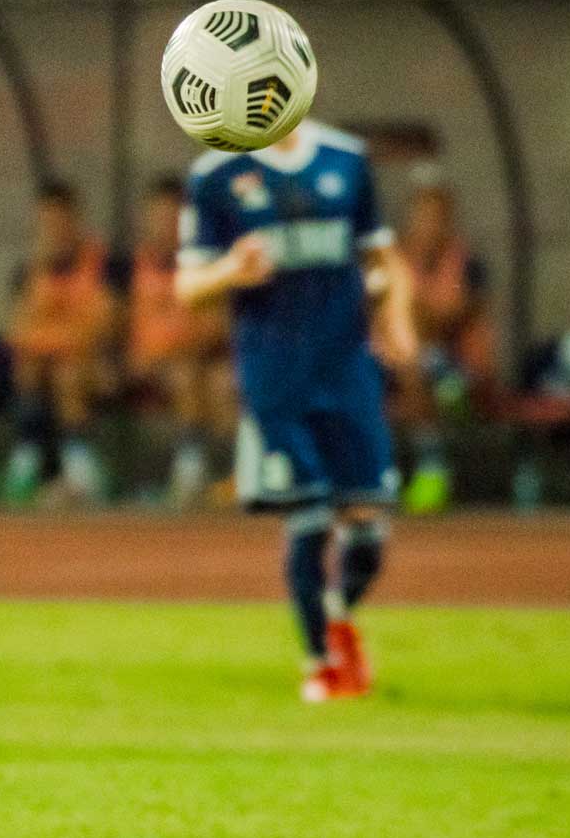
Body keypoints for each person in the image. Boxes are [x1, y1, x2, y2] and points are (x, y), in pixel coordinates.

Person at [176, 116, 416, 703]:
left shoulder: (346, 159)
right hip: (275, 376)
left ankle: (338, 616)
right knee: (308, 517)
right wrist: (232, 269)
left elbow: (384, 257)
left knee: (369, 529)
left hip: (347, 370)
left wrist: (397, 318)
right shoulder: (217, 175)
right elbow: (186, 286)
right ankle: (321, 662)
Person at [2, 181, 115, 507]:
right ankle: (27, 460)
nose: (54, 232)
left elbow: (103, 327)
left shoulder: (103, 264)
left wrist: (54, 340)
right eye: (46, 224)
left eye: (60, 222)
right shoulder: (29, 270)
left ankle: (81, 471)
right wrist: (39, 270)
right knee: (28, 367)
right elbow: (17, 332)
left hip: (94, 363)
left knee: (69, 372)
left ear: (76, 221)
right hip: (46, 361)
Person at [123, 175, 232, 508]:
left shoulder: (206, 265)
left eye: (173, 218)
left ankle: (218, 478)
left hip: (190, 364)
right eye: (159, 217)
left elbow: (218, 327)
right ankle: (191, 476)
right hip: (142, 367)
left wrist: (181, 352)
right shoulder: (131, 267)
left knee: (218, 382)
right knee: (188, 375)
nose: (165, 227)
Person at [394, 183, 495, 516]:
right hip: (406, 363)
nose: (428, 226)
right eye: (421, 217)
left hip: (459, 366)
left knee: (423, 368)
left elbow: (449, 319)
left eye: (436, 218)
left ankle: (432, 471)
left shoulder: (467, 264)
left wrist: (416, 314)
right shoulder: (396, 261)